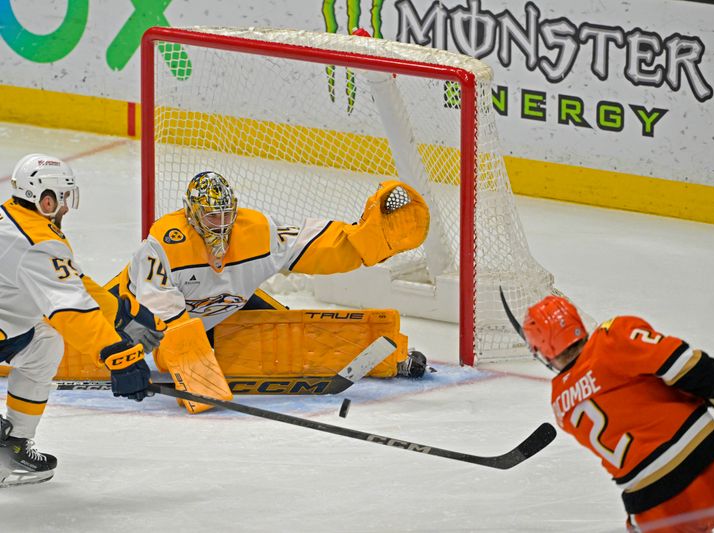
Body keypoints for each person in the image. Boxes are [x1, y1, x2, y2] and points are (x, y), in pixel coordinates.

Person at [98, 171, 429, 408]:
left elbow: (309, 246)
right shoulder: (164, 245)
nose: (224, 224)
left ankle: (392, 359)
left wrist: (361, 243)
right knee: (84, 337)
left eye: (228, 213)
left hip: (220, 311)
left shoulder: (255, 231)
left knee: (293, 337)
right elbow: (165, 318)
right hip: (134, 318)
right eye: (214, 217)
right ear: (193, 214)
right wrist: (197, 372)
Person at [0, 154, 166, 487]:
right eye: (63, 199)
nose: (66, 208)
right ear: (46, 199)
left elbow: (72, 284)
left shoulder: (13, 218)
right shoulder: (38, 242)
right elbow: (71, 309)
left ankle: (11, 449)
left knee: (43, 345)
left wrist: (120, 314)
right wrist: (118, 357)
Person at [522, 295, 714, 533]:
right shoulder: (613, 336)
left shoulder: (560, 403)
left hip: (656, 507)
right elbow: (680, 363)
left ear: (544, 352)